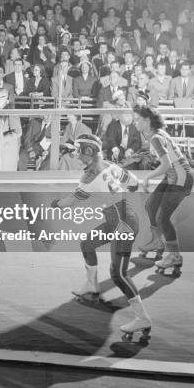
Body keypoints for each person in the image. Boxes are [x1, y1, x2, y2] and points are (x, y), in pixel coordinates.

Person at [53, 134, 152, 342]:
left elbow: (71, 201)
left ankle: (142, 318)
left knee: (118, 274)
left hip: (121, 223)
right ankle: (92, 285)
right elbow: (134, 185)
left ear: (89, 152)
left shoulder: (89, 177)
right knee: (87, 244)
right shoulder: (110, 165)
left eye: (79, 152)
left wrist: (56, 204)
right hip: (120, 217)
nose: (77, 156)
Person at [133, 105, 194, 274]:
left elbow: (166, 164)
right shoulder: (156, 134)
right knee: (151, 206)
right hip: (173, 176)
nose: (135, 121)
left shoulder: (155, 138)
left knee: (162, 218)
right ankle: (157, 242)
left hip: (181, 178)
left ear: (147, 121)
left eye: (137, 119)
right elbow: (168, 164)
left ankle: (175, 256)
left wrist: (146, 178)